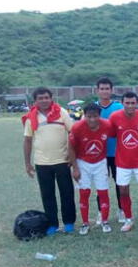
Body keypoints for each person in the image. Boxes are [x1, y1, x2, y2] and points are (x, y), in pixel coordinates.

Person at [22, 87, 75, 235]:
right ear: (35, 101)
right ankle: (52, 224)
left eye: (46, 97)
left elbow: (72, 134)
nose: (44, 100)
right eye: (40, 98)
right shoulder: (31, 117)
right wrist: (27, 163)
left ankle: (69, 223)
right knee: (47, 195)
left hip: (62, 161)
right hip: (42, 163)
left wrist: (72, 156)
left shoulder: (62, 113)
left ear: (51, 98)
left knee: (67, 193)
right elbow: (27, 140)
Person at [109, 91, 138, 232]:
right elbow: (109, 134)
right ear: (122, 103)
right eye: (127, 103)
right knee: (123, 191)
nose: (130, 105)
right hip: (122, 162)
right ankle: (128, 219)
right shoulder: (115, 117)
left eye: (132, 103)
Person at [68, 103, 114, 235]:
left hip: (100, 162)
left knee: (103, 192)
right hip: (83, 163)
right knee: (84, 193)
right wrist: (75, 168)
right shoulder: (77, 127)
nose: (92, 119)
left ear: (99, 116)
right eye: (89, 116)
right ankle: (85, 223)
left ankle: (105, 221)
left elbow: (117, 134)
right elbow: (70, 147)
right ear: (84, 116)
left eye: (95, 116)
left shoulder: (107, 125)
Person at [96, 77, 125, 224]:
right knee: (101, 183)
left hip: (117, 152)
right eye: (102, 88)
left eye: (107, 88)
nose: (105, 91)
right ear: (97, 90)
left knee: (119, 183)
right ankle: (101, 212)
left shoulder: (119, 107)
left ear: (111, 90)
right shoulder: (92, 108)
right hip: (98, 154)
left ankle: (122, 210)